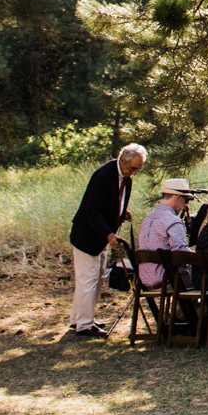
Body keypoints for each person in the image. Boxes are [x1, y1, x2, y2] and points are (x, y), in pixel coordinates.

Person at [67, 143, 145, 338]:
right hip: (88, 234)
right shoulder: (103, 176)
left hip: (102, 234)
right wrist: (109, 235)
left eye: (138, 169)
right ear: (122, 160)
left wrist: (120, 212)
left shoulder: (125, 177)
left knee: (96, 276)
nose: (134, 172)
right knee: (89, 279)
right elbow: (92, 211)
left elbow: (111, 201)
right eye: (132, 168)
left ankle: (80, 319)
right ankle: (84, 325)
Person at [137, 177, 196, 290]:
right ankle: (192, 308)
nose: (185, 205)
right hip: (167, 280)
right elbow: (181, 256)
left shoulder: (147, 219)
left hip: (146, 279)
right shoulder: (173, 222)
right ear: (177, 197)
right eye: (185, 200)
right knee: (204, 279)